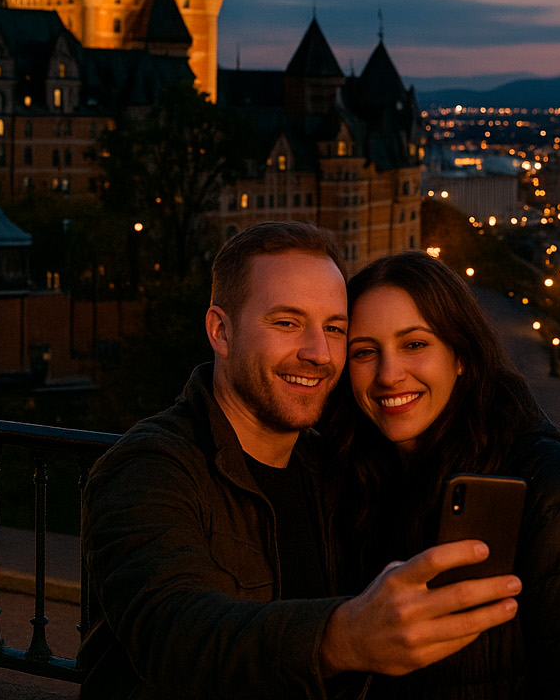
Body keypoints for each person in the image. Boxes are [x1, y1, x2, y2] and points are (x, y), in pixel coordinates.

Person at [79, 222, 523, 698]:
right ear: (221, 331)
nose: (318, 353)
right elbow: (176, 632)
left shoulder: (336, 471)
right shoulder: (148, 469)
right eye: (287, 323)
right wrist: (341, 637)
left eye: (334, 329)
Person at [327, 250, 560, 699]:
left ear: (462, 356)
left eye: (415, 344)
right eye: (365, 352)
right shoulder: (356, 476)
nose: (389, 374)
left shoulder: (550, 485)